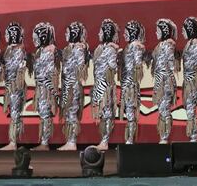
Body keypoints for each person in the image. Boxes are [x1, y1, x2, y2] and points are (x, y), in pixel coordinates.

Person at [59, 21, 90, 151]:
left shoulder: (78, 48)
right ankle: (69, 140)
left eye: (67, 32)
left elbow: (81, 68)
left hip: (73, 86)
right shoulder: (68, 48)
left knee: (72, 112)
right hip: (67, 85)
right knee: (68, 113)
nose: (66, 35)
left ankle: (72, 142)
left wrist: (83, 48)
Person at [1, 21, 30, 151]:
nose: (6, 36)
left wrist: (0, 65)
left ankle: (13, 142)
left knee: (15, 114)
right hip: (10, 85)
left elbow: (14, 68)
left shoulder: (19, 51)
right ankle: (12, 141)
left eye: (8, 34)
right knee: (13, 113)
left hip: (16, 86)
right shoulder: (9, 49)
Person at [90, 19, 120, 150]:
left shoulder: (110, 49)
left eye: (100, 31)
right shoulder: (100, 48)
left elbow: (113, 66)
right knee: (102, 113)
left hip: (106, 85)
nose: (98, 34)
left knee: (107, 113)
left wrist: (116, 53)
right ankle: (103, 140)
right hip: (99, 84)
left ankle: (105, 141)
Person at [32, 22, 60, 151]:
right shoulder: (41, 51)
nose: (34, 40)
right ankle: (43, 141)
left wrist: (51, 91)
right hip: (41, 87)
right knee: (43, 115)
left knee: (45, 115)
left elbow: (48, 73)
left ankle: (45, 142)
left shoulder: (48, 52)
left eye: (36, 37)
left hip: (46, 88)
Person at [151, 19, 178, 144]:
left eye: (158, 30)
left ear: (164, 31)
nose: (156, 33)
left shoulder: (168, 44)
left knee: (165, 109)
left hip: (165, 81)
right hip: (160, 80)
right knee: (162, 109)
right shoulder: (161, 45)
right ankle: (163, 136)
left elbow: (171, 64)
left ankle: (164, 137)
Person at [121, 20, 147, 144]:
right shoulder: (130, 46)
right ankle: (129, 139)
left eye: (126, 31)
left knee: (130, 111)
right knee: (128, 111)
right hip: (127, 83)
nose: (124, 34)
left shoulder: (135, 46)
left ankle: (130, 140)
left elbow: (137, 65)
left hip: (130, 84)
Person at [180, 17, 197, 142]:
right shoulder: (190, 43)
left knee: (191, 108)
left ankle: (193, 137)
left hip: (192, 80)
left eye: (184, 29)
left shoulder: (196, 44)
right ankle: (192, 136)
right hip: (188, 80)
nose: (182, 32)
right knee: (189, 108)